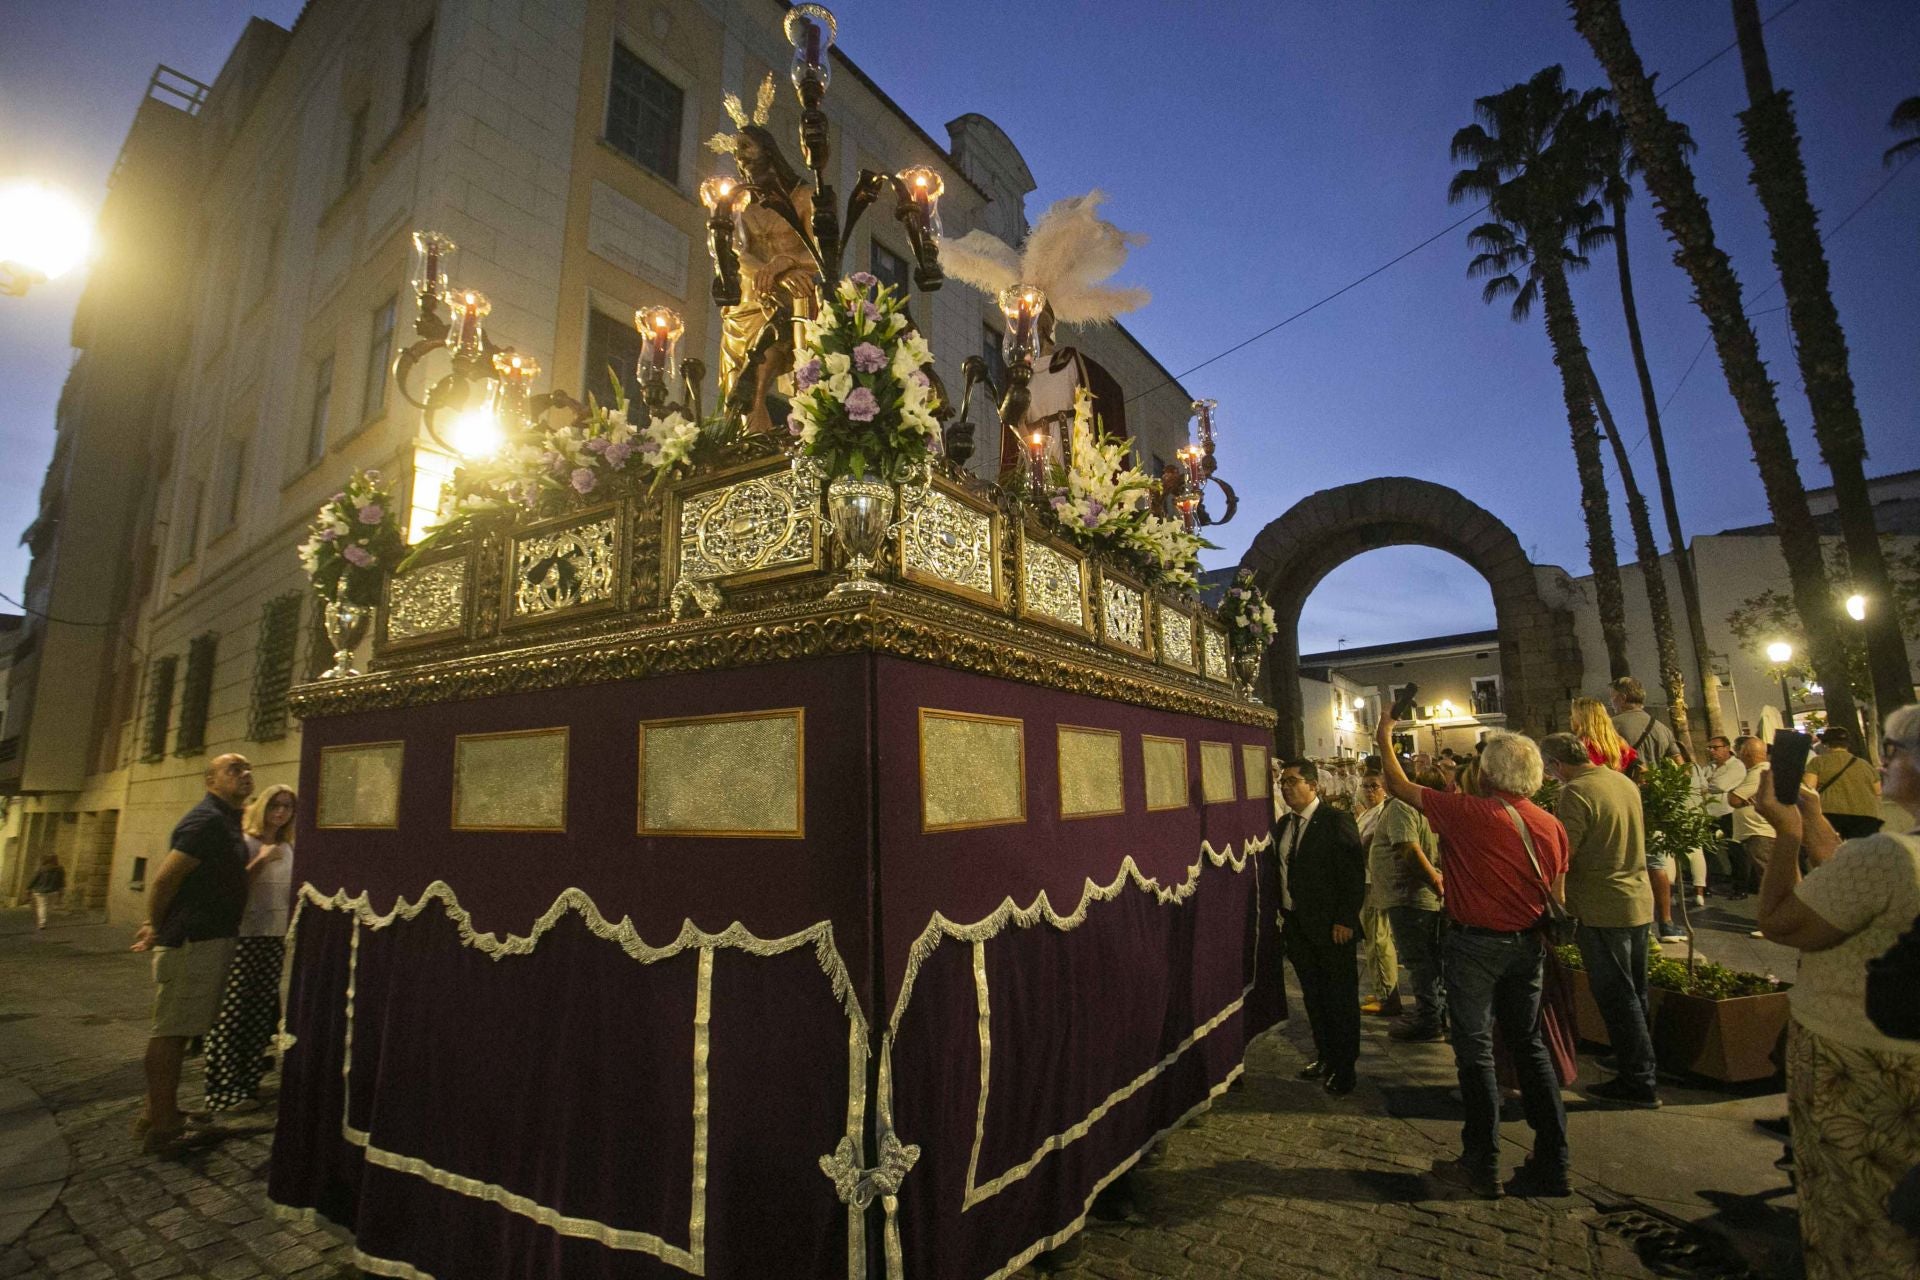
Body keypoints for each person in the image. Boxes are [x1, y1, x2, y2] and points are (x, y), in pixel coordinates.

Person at [1753, 703, 1920, 1279]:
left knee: (1862, 1221)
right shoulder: (1894, 851)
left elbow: (1780, 921)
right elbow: (1843, 876)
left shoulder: (1891, 855)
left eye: (1894, 750)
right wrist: (1816, 821)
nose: (1883, 760)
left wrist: (1787, 833)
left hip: (1861, 1062)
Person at [1376, 712, 1571, 1201]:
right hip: (1528, 946)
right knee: (1529, 1047)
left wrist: (1383, 735)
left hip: (1475, 946)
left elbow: (1399, 786)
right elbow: (1556, 894)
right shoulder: (1549, 824)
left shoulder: (1469, 813)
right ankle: (1554, 1163)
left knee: (1475, 1051)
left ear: (1487, 774)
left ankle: (1480, 1162)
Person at [131, 753, 254, 1152]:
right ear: (210, 780)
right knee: (170, 1031)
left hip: (209, 937)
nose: (245, 774)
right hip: (192, 940)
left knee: (182, 1028)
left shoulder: (226, 820)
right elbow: (165, 881)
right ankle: (164, 1127)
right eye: (233, 770)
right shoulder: (206, 822)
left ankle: (157, 1111)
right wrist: (155, 925)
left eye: (247, 769)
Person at [1541, 733, 1660, 1108]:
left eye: (1548, 769)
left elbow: (1565, 853)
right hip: (1637, 899)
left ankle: (1638, 1078)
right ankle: (1635, 1058)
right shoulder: (1620, 780)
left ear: (1557, 765)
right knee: (1635, 990)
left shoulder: (1575, 793)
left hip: (1601, 905)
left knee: (1616, 994)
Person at [1276, 759, 1367, 1097]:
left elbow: (1352, 873)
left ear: (1313, 786)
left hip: (1331, 928)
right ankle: (1325, 1055)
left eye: (1293, 781)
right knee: (1314, 997)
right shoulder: (1284, 825)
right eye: (1283, 781)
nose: (1286, 786)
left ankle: (1345, 1069)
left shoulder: (1335, 821)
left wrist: (1344, 918)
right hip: (1298, 926)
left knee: (1339, 999)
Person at [203, 784, 296, 1113]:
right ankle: (223, 1090)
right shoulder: (246, 842)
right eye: (276, 805)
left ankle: (248, 1082)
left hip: (273, 936)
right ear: (263, 808)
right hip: (244, 935)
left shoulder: (288, 847)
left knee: (260, 1014)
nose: (281, 812)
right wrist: (261, 858)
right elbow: (232, 885)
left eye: (287, 807)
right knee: (232, 1013)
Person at [1372, 767, 1448, 1042]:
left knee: (1420, 962)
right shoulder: (1428, 803)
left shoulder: (1402, 806)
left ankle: (1429, 1021)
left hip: (1411, 897)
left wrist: (1435, 883)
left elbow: (1408, 848)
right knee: (1430, 961)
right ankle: (1436, 1015)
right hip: (1419, 896)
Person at [1354, 773, 1403, 1017]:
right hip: (1365, 880)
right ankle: (1382, 988)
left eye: (1374, 786)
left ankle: (1388, 997)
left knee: (1378, 938)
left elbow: (1365, 844)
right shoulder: (1367, 811)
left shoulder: (1383, 812)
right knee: (1372, 938)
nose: (1369, 790)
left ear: (1384, 789)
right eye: (1365, 786)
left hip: (1373, 881)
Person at [1807, 724, 1885, 840]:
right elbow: (1878, 791)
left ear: (1826, 743)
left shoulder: (1818, 762)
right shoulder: (1864, 765)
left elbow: (1809, 787)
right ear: (1847, 744)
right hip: (1866, 815)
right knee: (1862, 853)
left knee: (1834, 852)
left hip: (1831, 814)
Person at [1702, 735, 1748, 898]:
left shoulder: (1736, 766)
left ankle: (1740, 886)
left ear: (1727, 748)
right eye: (1710, 748)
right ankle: (1705, 886)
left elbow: (1721, 785)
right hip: (1709, 813)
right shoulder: (1710, 767)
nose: (1712, 751)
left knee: (1734, 849)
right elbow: (1698, 783)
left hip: (1728, 813)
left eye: (1715, 747)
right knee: (1706, 850)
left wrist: (1707, 785)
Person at [1609, 676, 1683, 764]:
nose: (1611, 702)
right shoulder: (1663, 729)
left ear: (1622, 698)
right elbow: (1680, 764)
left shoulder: (1610, 725)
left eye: (1612, 697)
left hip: (1625, 778)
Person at [27, 854, 64, 930]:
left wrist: (28, 888)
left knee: (42, 906)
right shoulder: (60, 870)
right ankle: (44, 920)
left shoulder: (41, 869)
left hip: (40, 891)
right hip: (53, 891)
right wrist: (61, 890)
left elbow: (35, 879)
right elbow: (61, 881)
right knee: (50, 907)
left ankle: (42, 923)